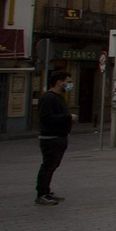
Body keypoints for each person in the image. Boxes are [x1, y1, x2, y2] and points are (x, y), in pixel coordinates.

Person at [35, 70, 76, 205]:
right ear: (59, 83)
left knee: (52, 165)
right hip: (51, 138)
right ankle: (41, 194)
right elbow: (46, 118)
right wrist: (68, 117)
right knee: (48, 166)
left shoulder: (59, 97)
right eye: (68, 82)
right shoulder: (48, 97)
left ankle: (46, 191)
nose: (70, 85)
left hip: (59, 136)